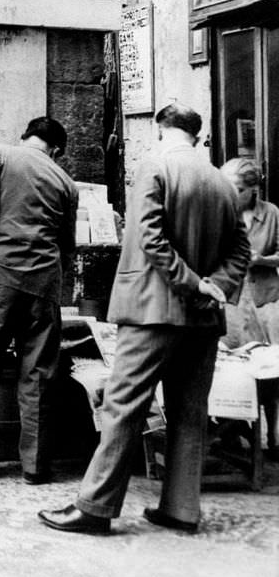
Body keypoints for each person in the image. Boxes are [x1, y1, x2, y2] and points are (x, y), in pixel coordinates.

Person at [38, 103, 250, 534]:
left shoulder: (154, 168)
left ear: (161, 129)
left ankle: (95, 508)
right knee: (190, 414)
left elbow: (149, 238)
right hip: (205, 319)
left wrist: (191, 283)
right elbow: (240, 251)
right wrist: (215, 287)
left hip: (153, 311)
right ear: (197, 135)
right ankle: (181, 509)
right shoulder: (222, 183)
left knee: (123, 408)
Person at [0, 116, 78, 484]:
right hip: (43, 283)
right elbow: (67, 245)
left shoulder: (1, 156)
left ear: (25, 136)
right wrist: (49, 278)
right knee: (38, 374)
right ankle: (35, 466)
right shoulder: (66, 183)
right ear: (56, 150)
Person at [220, 158, 279, 459]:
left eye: (239, 189)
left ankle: (274, 438)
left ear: (253, 189)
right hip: (231, 298)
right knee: (231, 368)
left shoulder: (271, 214)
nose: (232, 194)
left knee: (269, 369)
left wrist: (263, 260)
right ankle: (230, 432)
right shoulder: (220, 210)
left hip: (264, 298)